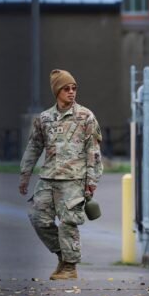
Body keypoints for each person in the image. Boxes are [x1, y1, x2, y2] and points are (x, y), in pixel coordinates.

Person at [19, 69, 103, 280]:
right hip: (48, 178)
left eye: (74, 88)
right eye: (66, 88)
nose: (71, 92)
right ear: (57, 91)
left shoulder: (86, 117)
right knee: (38, 218)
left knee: (68, 223)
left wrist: (92, 181)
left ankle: (69, 267)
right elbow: (34, 146)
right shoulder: (45, 118)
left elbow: (93, 151)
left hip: (74, 179)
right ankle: (63, 256)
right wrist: (25, 174)